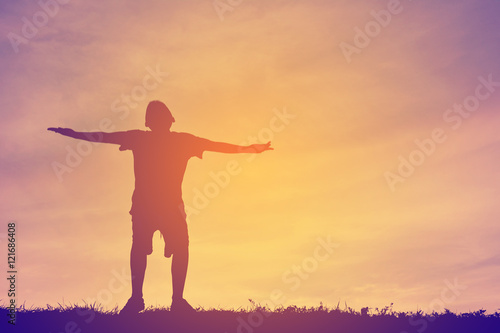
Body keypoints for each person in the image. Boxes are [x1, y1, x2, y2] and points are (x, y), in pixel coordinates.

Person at [48, 100, 272, 315]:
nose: (158, 120)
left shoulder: (164, 139)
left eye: (160, 116)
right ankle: (146, 299)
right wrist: (74, 134)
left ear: (169, 120)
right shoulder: (149, 139)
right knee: (148, 249)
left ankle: (169, 300)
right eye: (155, 117)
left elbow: (216, 146)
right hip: (150, 206)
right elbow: (103, 137)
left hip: (166, 207)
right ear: (161, 121)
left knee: (170, 248)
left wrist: (252, 149)